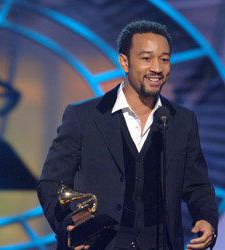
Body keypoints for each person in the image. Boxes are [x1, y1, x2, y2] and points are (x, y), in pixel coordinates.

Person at [37, 20, 218, 250]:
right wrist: (69, 226)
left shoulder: (182, 121)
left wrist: (206, 220)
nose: (157, 68)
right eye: (146, 58)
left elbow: (197, 186)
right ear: (125, 61)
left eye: (164, 59)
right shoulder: (83, 116)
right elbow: (51, 182)